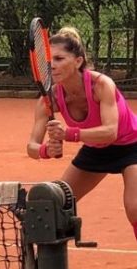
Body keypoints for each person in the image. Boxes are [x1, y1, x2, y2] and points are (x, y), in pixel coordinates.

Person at [28, 26, 137, 236]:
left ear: (78, 61)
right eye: (50, 60)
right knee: (53, 204)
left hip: (132, 145)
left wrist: (69, 134)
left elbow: (110, 132)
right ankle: (44, 258)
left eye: (60, 59)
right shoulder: (49, 99)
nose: (52, 65)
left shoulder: (101, 85)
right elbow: (31, 146)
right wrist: (45, 150)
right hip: (95, 150)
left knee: (135, 208)